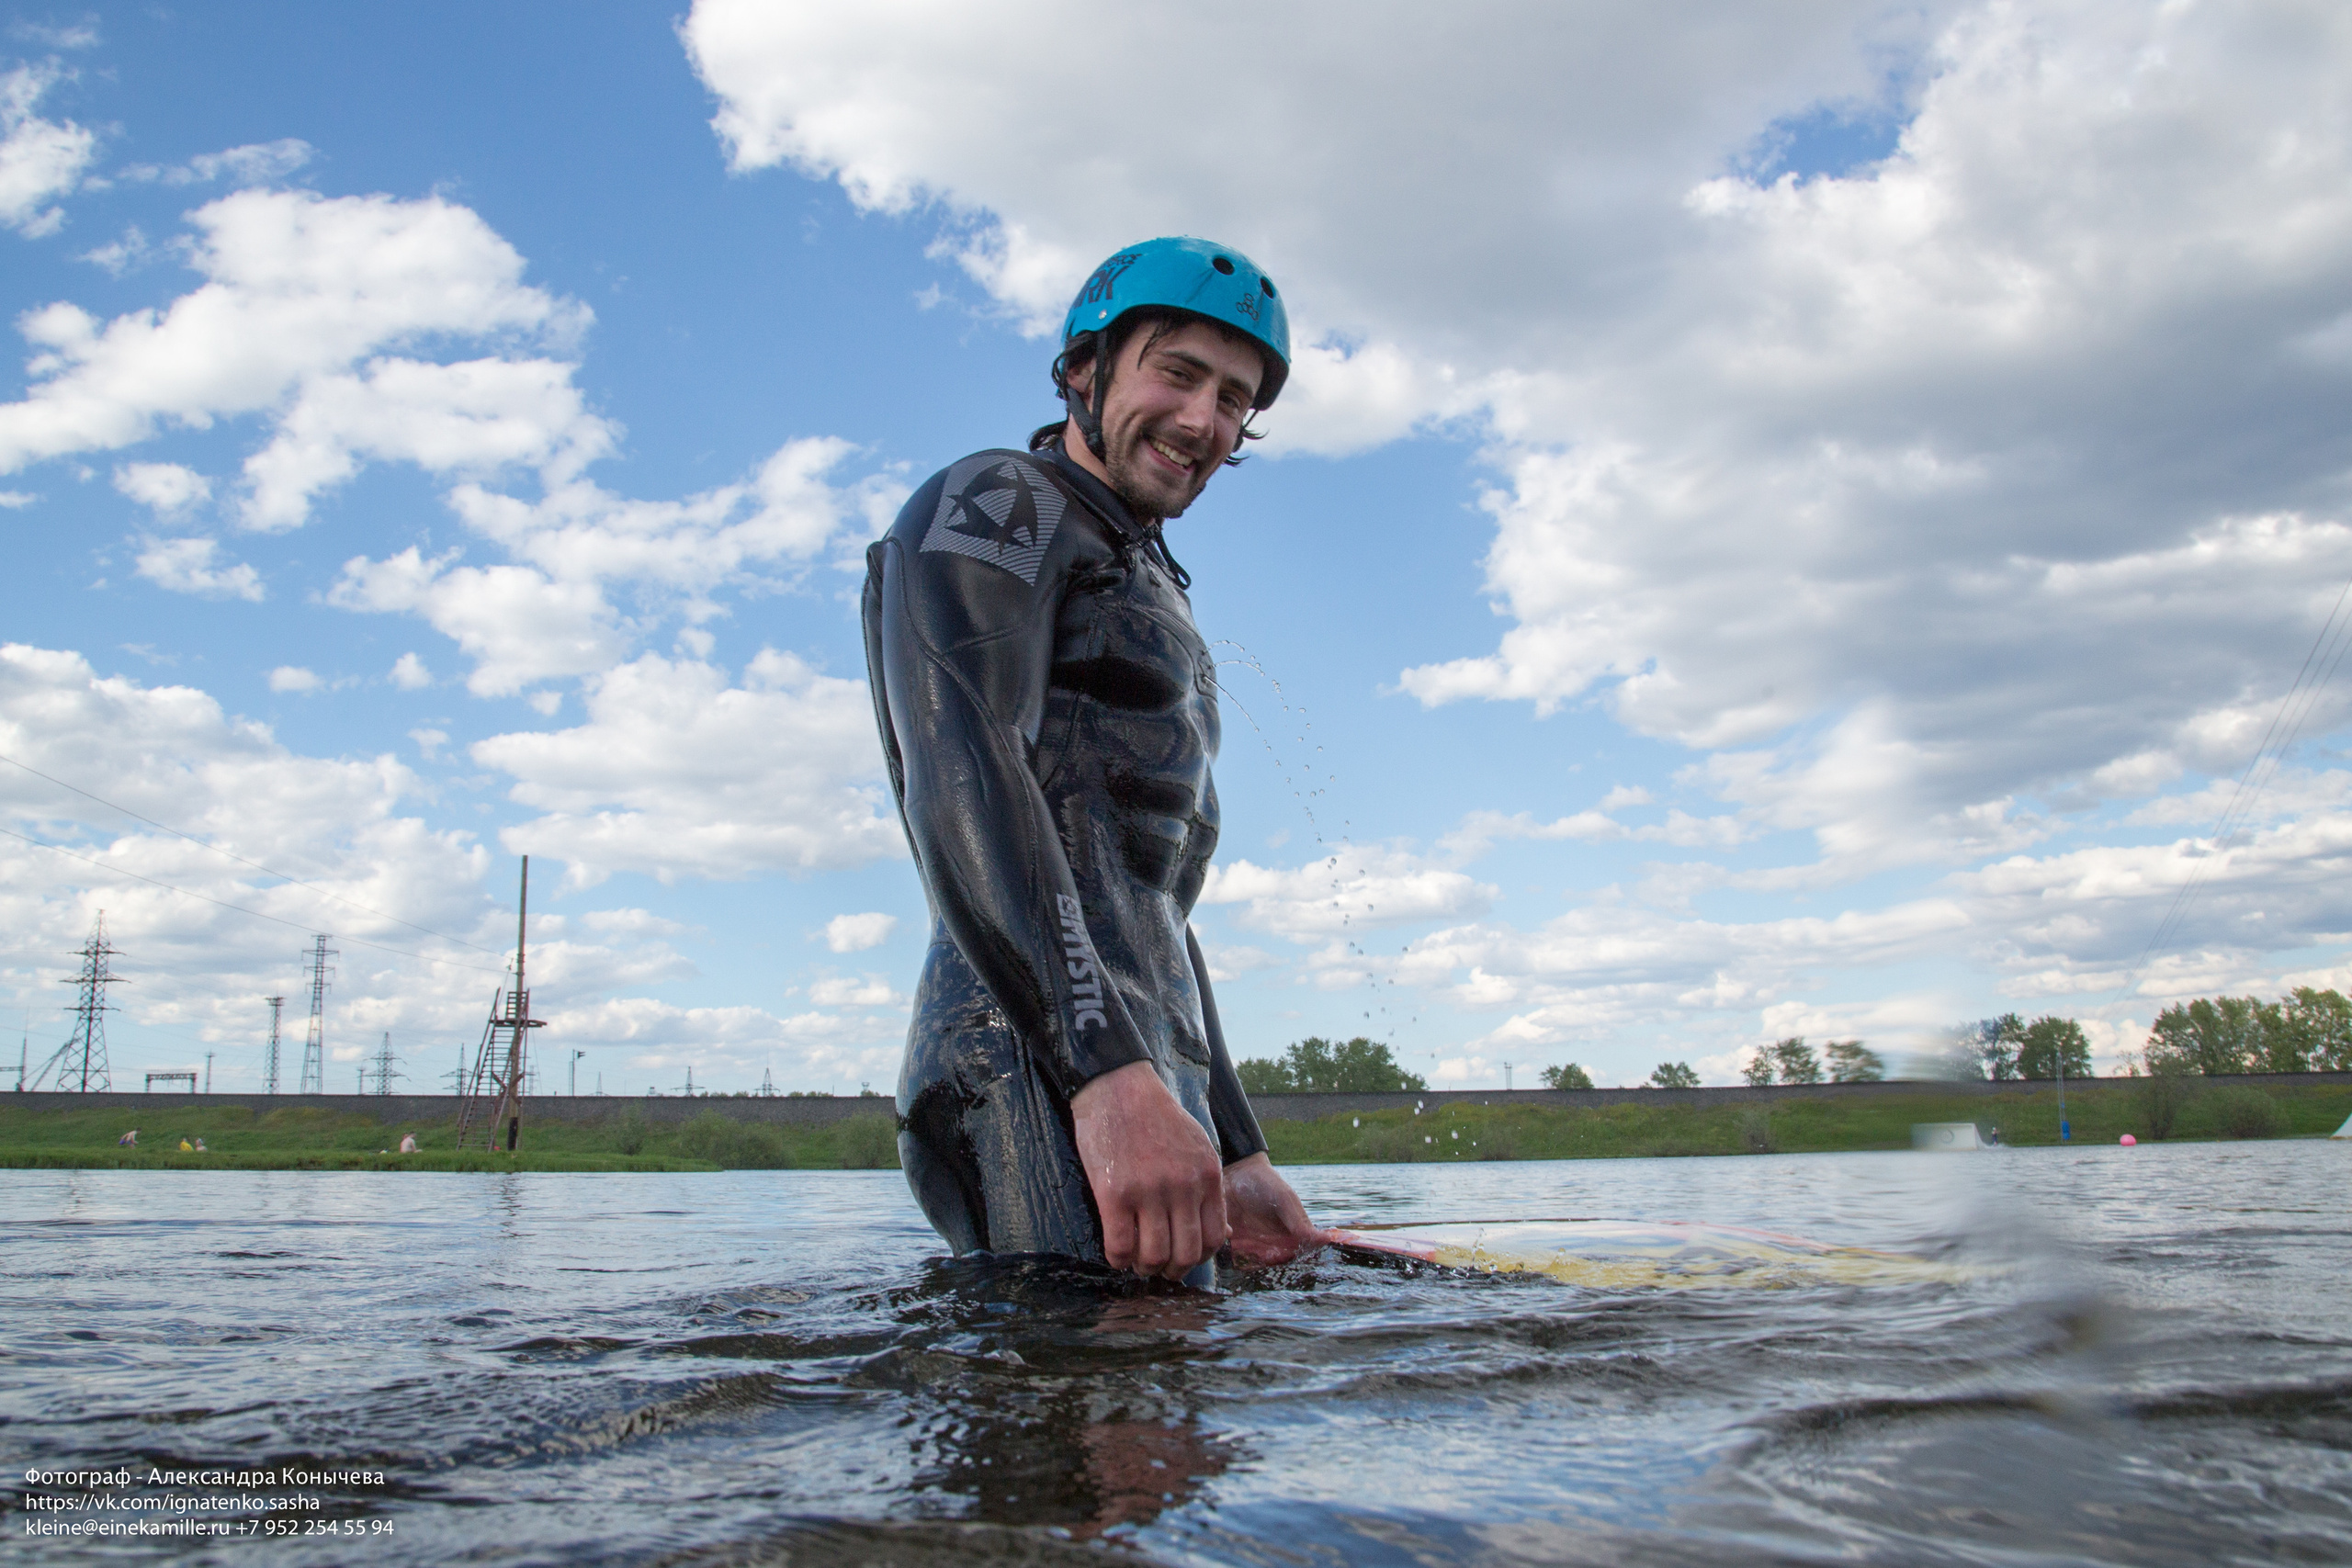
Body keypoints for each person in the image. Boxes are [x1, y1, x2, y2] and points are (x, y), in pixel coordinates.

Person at [863, 236, 1326, 1287]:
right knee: (1085, 1408)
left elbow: (1148, 902)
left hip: (1133, 1065)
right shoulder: (1000, 503)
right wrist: (1103, 1072)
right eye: (1176, 372)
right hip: (1023, 1051)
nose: (1204, 421)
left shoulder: (1152, 580)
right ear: (1083, 368)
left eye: (1233, 397)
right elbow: (962, 766)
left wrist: (1237, 1141)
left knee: (1166, 1402)